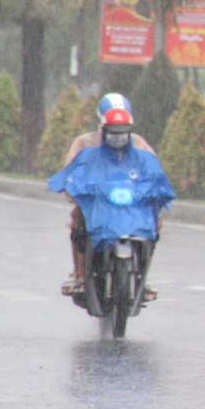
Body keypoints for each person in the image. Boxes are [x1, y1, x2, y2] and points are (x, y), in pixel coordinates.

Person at [55, 95, 159, 297]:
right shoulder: (84, 143)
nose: (118, 134)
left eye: (122, 129)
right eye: (112, 128)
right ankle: (80, 276)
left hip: (130, 204)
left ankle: (143, 277)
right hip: (96, 203)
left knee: (156, 221)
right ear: (100, 124)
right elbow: (70, 172)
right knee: (78, 218)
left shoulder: (139, 144)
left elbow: (154, 171)